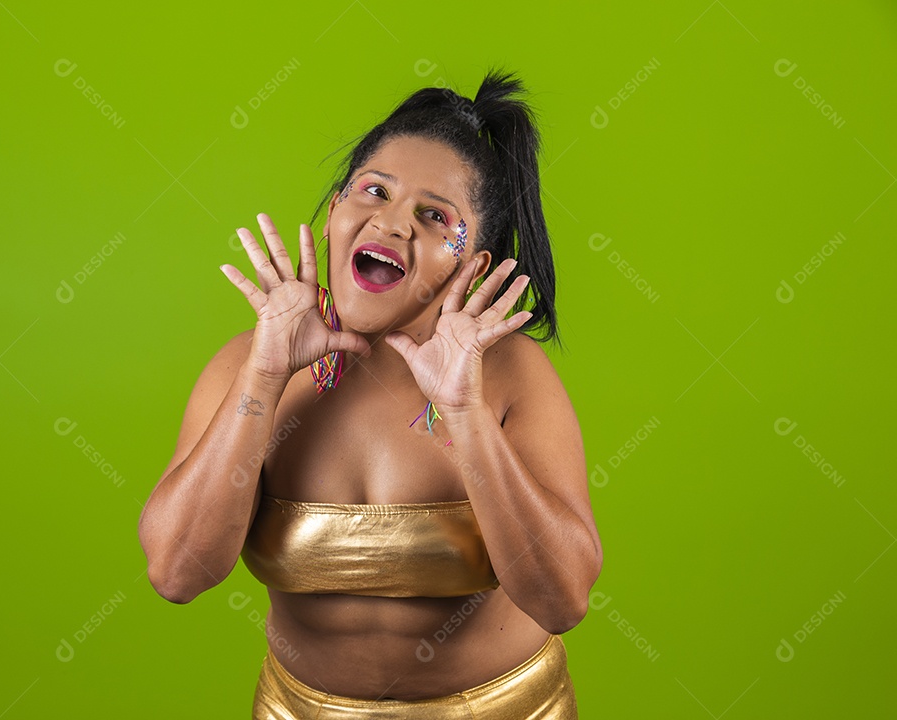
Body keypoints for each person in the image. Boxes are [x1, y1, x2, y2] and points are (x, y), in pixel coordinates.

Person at [138, 68, 602, 719]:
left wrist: (466, 415)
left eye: (434, 216)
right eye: (373, 192)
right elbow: (176, 573)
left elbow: (563, 600)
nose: (391, 223)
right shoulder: (248, 364)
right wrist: (264, 378)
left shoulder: (510, 375)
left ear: (473, 265)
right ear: (334, 215)